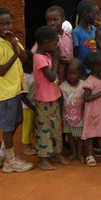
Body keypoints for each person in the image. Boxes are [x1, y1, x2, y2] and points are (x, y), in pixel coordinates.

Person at [0, 8, 32, 173]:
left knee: (16, 121)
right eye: (0, 24)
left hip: (15, 90)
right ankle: (10, 161)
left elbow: (25, 59)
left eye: (8, 23)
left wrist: (15, 45)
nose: (4, 27)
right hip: (5, 91)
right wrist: (14, 53)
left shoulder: (12, 40)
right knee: (7, 126)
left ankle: (1, 154)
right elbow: (1, 70)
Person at [33, 26, 69, 170]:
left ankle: (56, 152)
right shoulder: (39, 58)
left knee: (56, 127)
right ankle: (42, 158)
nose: (56, 46)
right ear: (46, 43)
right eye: (55, 43)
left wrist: (57, 60)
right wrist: (55, 59)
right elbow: (51, 77)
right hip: (44, 100)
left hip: (53, 97)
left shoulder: (46, 56)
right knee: (44, 129)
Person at [82, 52, 101, 166]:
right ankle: (89, 154)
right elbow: (86, 98)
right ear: (96, 67)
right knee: (90, 132)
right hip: (93, 112)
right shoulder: (90, 80)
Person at [60, 58, 85, 163]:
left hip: (80, 117)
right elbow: (60, 102)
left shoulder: (84, 85)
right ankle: (74, 152)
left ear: (79, 73)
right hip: (67, 117)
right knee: (70, 136)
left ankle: (79, 153)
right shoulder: (62, 86)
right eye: (69, 73)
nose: (71, 76)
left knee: (79, 137)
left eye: (74, 73)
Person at [45, 6, 73, 81]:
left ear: (63, 20)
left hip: (69, 77)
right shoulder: (47, 39)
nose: (52, 23)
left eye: (55, 20)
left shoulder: (69, 36)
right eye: (49, 20)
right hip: (55, 76)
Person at [72, 0, 98, 77]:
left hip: (94, 70)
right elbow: (75, 55)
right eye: (95, 14)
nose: (96, 17)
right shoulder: (76, 32)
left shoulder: (94, 29)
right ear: (84, 15)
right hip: (82, 72)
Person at [21, 50, 37, 156]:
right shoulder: (25, 78)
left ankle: (31, 143)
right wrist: (32, 107)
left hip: (33, 104)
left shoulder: (31, 73)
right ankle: (26, 146)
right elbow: (23, 97)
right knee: (27, 125)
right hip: (27, 107)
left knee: (33, 125)